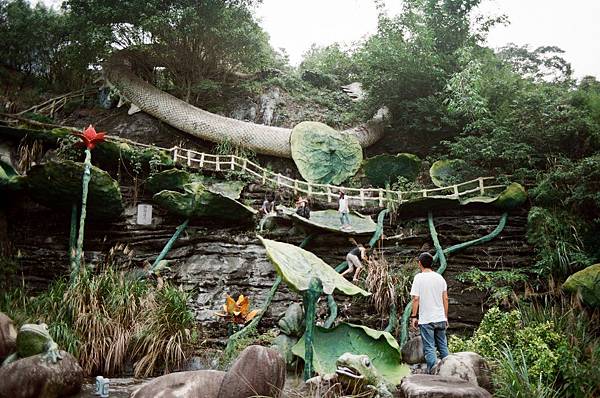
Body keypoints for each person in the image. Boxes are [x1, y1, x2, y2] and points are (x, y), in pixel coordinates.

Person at [409, 252, 449, 373]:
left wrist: (414, 316)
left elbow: (416, 299)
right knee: (443, 347)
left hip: (427, 320)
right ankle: (449, 369)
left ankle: (433, 373)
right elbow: (446, 299)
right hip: (440, 318)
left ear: (419, 263)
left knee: (430, 348)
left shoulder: (418, 278)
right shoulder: (440, 278)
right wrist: (445, 317)